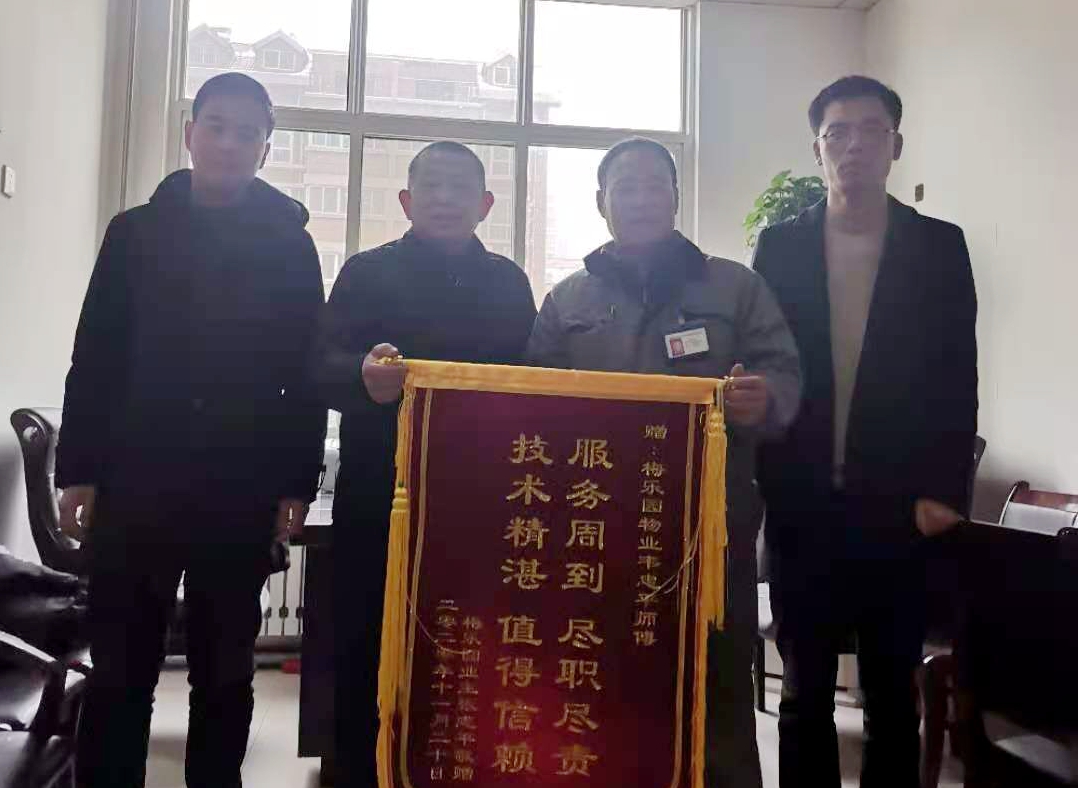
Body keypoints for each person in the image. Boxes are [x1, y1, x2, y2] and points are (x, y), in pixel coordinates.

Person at [56, 72, 326, 788]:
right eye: (217, 126)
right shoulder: (134, 233)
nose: (230, 142)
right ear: (190, 133)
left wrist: (296, 483)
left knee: (225, 670)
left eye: (248, 132)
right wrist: (78, 469)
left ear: (266, 148)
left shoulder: (291, 245)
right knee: (121, 667)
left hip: (240, 486)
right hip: (135, 479)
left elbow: (303, 375)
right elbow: (96, 355)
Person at [526, 137, 802, 788]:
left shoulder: (735, 287)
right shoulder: (567, 300)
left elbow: (785, 373)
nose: (641, 199)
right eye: (625, 187)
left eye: (655, 185)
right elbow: (533, 399)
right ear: (601, 202)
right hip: (598, 527)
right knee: (601, 675)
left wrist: (763, 398)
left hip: (709, 522)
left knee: (716, 676)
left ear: (676, 198)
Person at [751, 76, 978, 788]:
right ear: (817, 149)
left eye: (872, 131)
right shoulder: (780, 246)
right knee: (803, 697)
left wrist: (945, 492)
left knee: (890, 699)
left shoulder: (939, 246)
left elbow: (958, 376)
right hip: (802, 507)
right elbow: (763, 360)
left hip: (899, 510)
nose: (854, 145)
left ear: (896, 146)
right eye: (838, 132)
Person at [317, 140, 537, 787]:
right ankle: (357, 771)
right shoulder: (365, 273)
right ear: (407, 200)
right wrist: (360, 375)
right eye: (432, 186)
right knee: (367, 639)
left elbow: (535, 382)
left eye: (460, 187)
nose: (445, 199)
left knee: (469, 647)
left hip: (483, 501)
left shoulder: (508, 284)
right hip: (379, 494)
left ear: (485, 204)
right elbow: (316, 368)